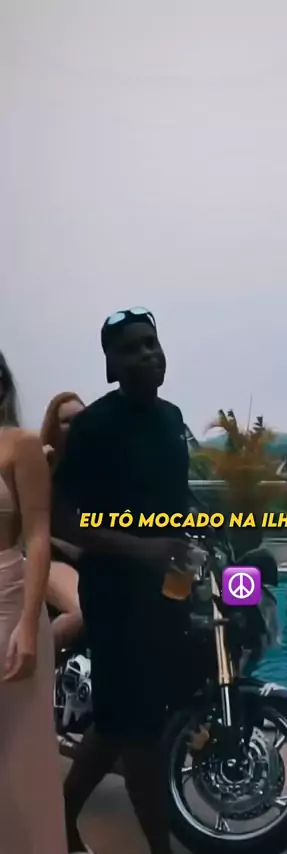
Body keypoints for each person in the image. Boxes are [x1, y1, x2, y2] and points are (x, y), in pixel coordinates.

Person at [52, 307, 191, 854]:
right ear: (110, 365)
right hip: (115, 597)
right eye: (131, 348)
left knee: (119, 723)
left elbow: (170, 501)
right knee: (138, 732)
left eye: (152, 342)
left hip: (166, 595)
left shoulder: (172, 418)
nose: (147, 354)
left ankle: (62, 816)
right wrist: (142, 548)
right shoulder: (95, 427)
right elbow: (62, 518)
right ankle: (159, 847)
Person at [0, 351, 67, 853]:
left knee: (19, 757)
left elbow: (39, 537)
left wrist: (27, 623)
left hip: (8, 602)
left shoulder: (19, 444)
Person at [41, 392, 86, 652]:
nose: (76, 426)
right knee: (83, 610)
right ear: (54, 427)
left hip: (90, 556)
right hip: (47, 556)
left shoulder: (100, 467)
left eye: (81, 419)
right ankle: (26, 664)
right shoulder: (42, 462)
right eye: (67, 421)